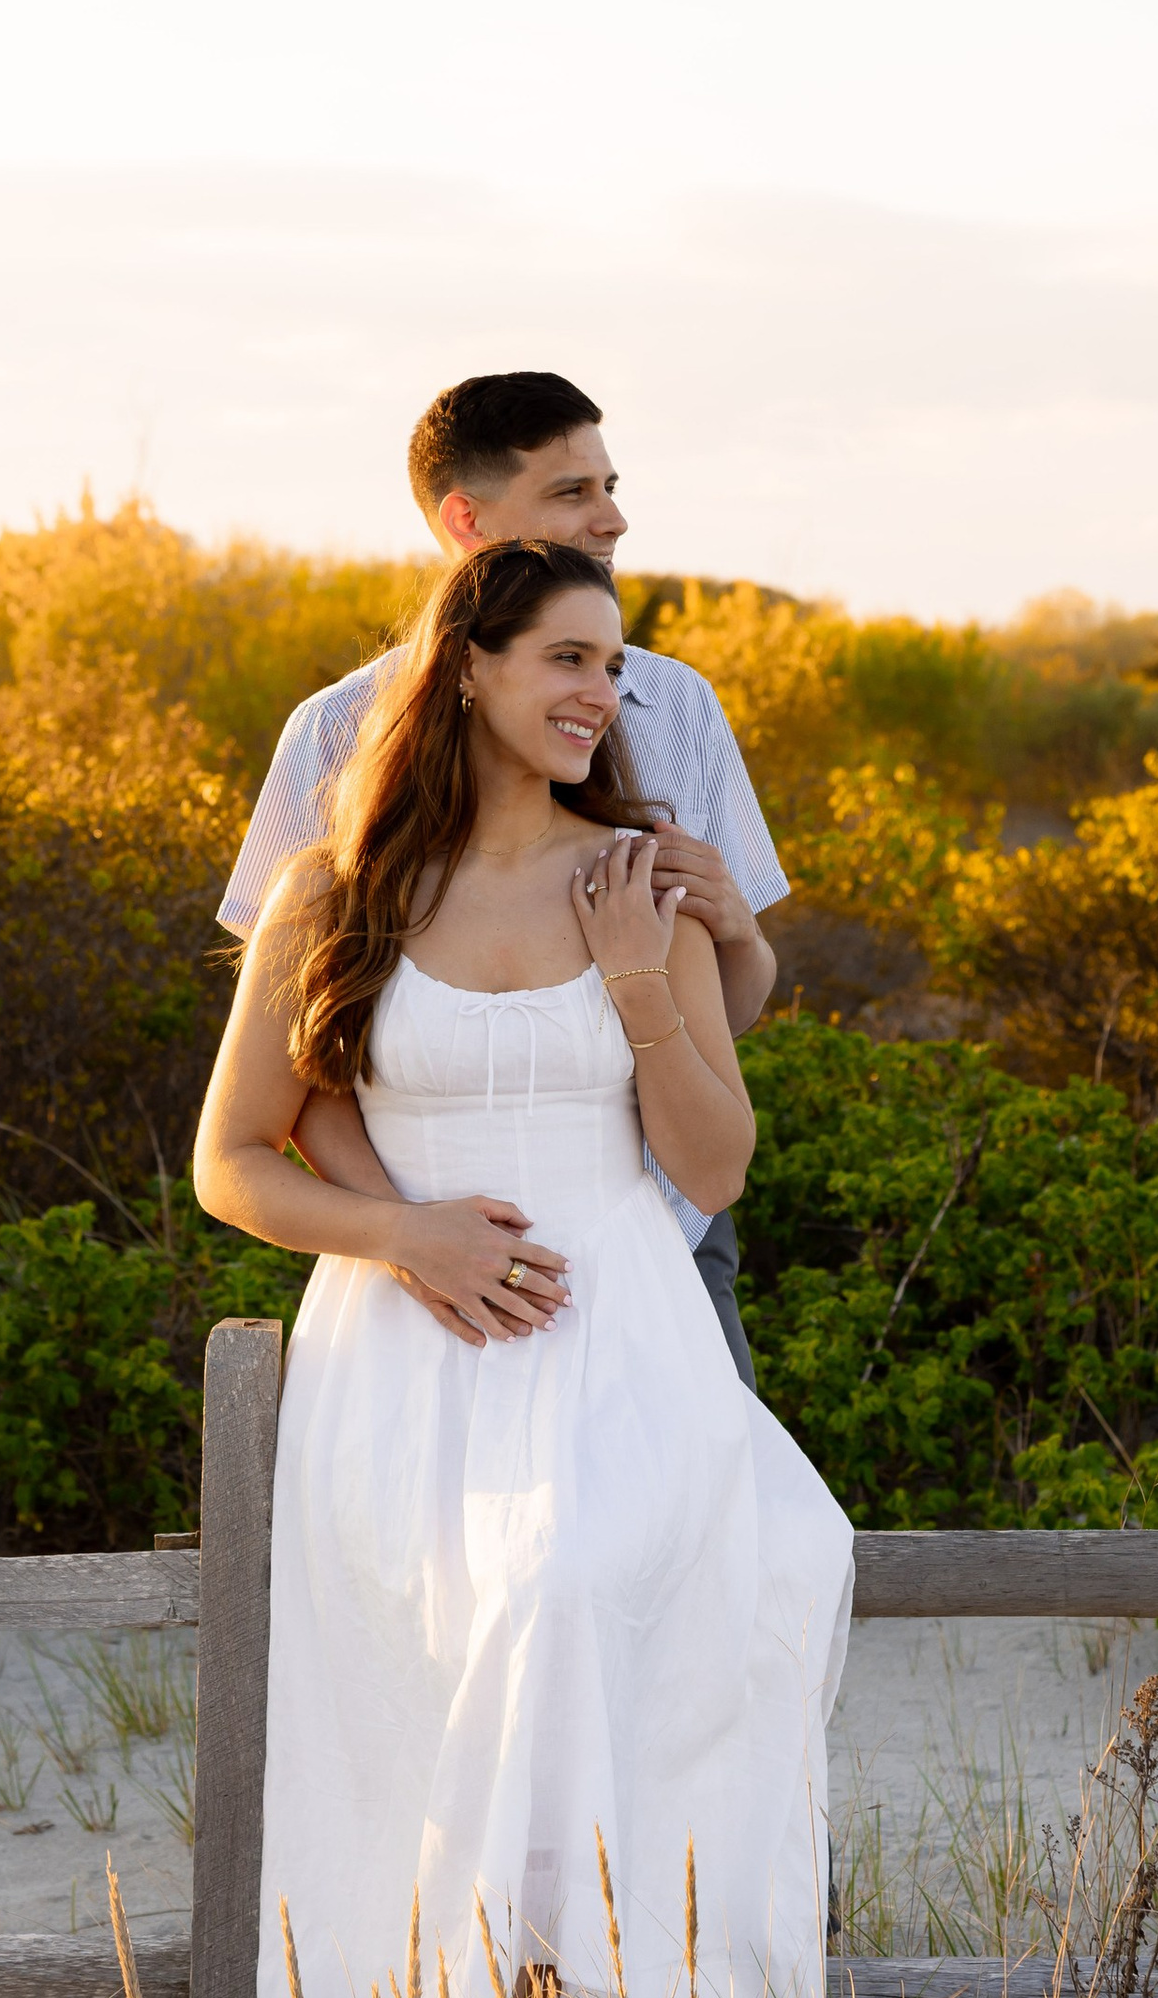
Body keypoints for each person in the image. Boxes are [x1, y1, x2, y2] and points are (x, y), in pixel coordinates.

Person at [194, 537, 854, 1998]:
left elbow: (713, 1166)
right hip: (406, 1356)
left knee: (558, 1593)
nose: (599, 694)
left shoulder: (634, 880)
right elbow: (234, 1159)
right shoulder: (336, 892)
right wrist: (404, 1234)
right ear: (469, 665)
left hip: (620, 1342)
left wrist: (640, 977)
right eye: (567, 656)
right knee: (452, 1683)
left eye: (612, 667)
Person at [221, 371, 785, 1385]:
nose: (612, 518)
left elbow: (718, 1033)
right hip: (417, 1279)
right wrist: (411, 1235)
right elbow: (301, 1056)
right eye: (572, 491)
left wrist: (728, 935)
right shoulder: (332, 736)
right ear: (466, 519)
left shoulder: (679, 707)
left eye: (609, 486)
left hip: (663, 1246)